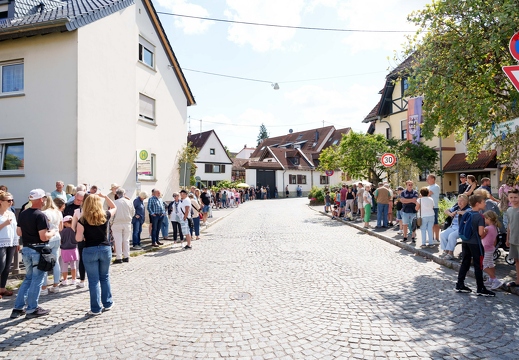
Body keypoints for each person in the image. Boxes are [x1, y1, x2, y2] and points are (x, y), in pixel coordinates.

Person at [11, 189, 57, 319]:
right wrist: (52, 232)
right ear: (41, 199)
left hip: (26, 249)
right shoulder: (40, 215)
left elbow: (19, 233)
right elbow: (43, 237)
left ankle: (18, 308)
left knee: (28, 279)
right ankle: (32, 309)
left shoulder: (23, 213)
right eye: (44, 198)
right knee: (37, 280)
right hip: (38, 250)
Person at [75, 193, 116, 315]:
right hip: (104, 248)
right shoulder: (105, 216)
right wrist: (105, 197)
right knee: (105, 277)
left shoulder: (82, 220)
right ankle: (108, 303)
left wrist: (84, 237)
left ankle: (95, 308)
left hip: (89, 250)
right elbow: (114, 207)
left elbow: (78, 238)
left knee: (93, 280)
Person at [455, 194, 495, 296]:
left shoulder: (467, 213)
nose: (485, 203)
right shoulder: (480, 217)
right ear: (477, 204)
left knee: (465, 262)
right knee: (478, 265)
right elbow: (481, 233)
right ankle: (480, 288)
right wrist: (486, 232)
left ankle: (460, 284)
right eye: (483, 202)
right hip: (476, 244)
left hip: (466, 242)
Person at [40, 194, 63, 295]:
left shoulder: (44, 213)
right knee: (56, 262)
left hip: (48, 237)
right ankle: (56, 285)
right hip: (57, 236)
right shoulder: (58, 212)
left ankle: (44, 287)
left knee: (45, 262)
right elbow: (61, 227)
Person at [0, 190, 19, 300]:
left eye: (12, 200)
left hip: (11, 241)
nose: (11, 202)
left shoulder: (11, 213)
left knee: (7, 266)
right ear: (1, 201)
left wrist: (17, 241)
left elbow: (15, 228)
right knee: (1, 265)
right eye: (8, 200)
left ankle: (2, 288)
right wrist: (4, 223)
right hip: (1, 242)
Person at [439, 195, 470, 260]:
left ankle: (450, 253)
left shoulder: (468, 208)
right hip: (453, 227)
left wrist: (459, 212)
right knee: (442, 234)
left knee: (451, 236)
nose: (459, 202)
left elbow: (468, 213)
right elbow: (446, 210)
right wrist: (450, 214)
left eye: (461, 201)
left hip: (462, 229)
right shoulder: (456, 207)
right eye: (458, 201)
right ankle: (445, 251)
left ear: (466, 201)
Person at [481, 210, 504, 290]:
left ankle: (495, 280)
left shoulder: (487, 228)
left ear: (489, 218)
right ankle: (491, 279)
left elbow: (481, 236)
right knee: (490, 263)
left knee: (483, 265)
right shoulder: (495, 228)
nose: (484, 220)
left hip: (486, 249)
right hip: (491, 248)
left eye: (485, 218)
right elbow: (495, 240)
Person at [111, 188, 134, 264]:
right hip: (127, 222)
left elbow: (112, 214)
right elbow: (133, 212)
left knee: (118, 241)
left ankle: (119, 257)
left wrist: (111, 222)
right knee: (126, 240)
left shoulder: (114, 202)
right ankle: (127, 256)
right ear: (124, 194)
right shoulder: (129, 202)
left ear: (117, 194)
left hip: (117, 223)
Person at [505, 188, 519, 288]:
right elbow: (509, 225)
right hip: (513, 239)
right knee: (517, 260)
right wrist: (507, 238)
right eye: (511, 197)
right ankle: (518, 280)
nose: (513, 199)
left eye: (516, 197)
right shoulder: (509, 210)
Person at [59, 215, 79, 285]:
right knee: (73, 265)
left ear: (66, 223)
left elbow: (60, 240)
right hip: (73, 248)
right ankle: (74, 279)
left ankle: (65, 280)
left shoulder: (63, 231)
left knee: (64, 265)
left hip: (64, 249)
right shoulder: (75, 230)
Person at [427, 174, 441, 242]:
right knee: (430, 224)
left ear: (433, 179)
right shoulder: (428, 187)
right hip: (428, 207)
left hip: (434, 207)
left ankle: (437, 239)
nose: (427, 180)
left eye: (428, 179)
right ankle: (431, 238)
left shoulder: (436, 187)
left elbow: (427, 194)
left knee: (435, 223)